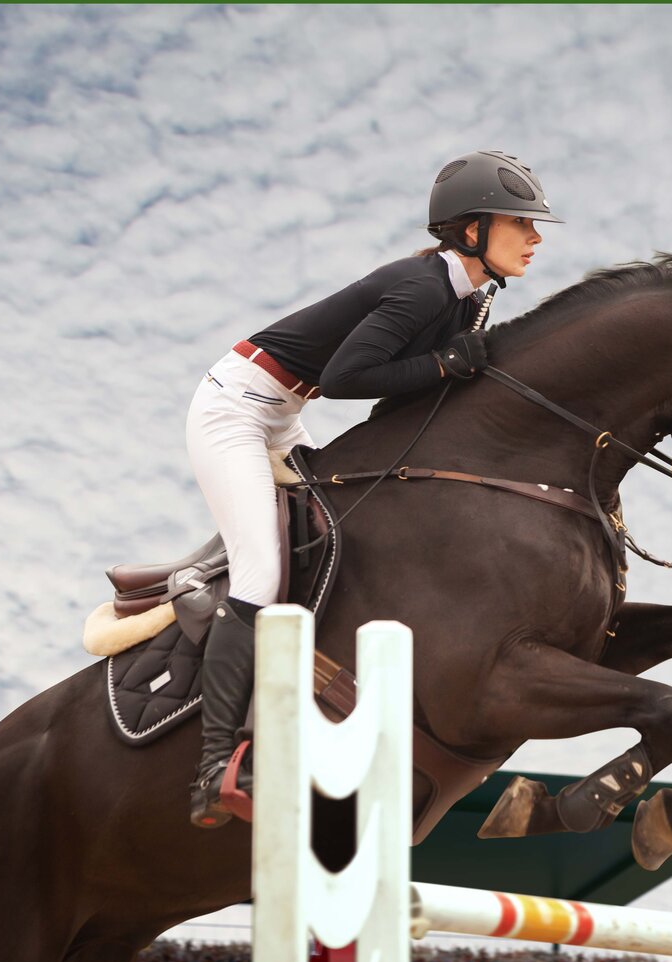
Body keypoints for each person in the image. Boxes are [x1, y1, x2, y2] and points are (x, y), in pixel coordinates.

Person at [187, 150, 562, 828]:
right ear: (470, 228)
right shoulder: (423, 288)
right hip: (236, 408)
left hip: (283, 415)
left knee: (347, 524)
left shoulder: (466, 300)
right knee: (261, 569)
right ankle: (215, 765)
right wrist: (444, 363)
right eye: (521, 223)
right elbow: (347, 377)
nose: (536, 238)